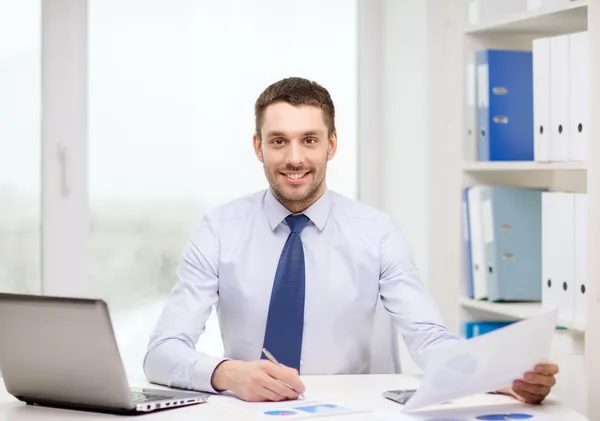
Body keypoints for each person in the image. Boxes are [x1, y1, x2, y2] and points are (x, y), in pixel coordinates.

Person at [143, 77, 558, 404]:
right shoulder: (218, 230)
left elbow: (429, 338)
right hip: (246, 409)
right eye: (278, 141)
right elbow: (162, 352)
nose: (294, 158)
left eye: (309, 140)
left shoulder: (376, 232)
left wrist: (499, 378)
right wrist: (228, 373)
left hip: (349, 414)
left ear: (332, 145)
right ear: (258, 147)